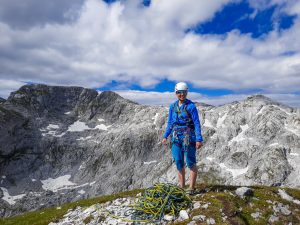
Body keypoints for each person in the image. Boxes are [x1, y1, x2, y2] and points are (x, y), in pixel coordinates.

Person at [162, 82, 203, 194]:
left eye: (184, 92)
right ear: (176, 93)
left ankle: (191, 188)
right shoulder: (172, 106)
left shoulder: (191, 106)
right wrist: (166, 135)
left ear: (186, 93)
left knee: (190, 162)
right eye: (179, 92)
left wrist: (199, 139)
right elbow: (170, 122)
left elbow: (196, 123)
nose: (182, 95)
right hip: (176, 137)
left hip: (189, 136)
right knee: (179, 161)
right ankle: (182, 187)